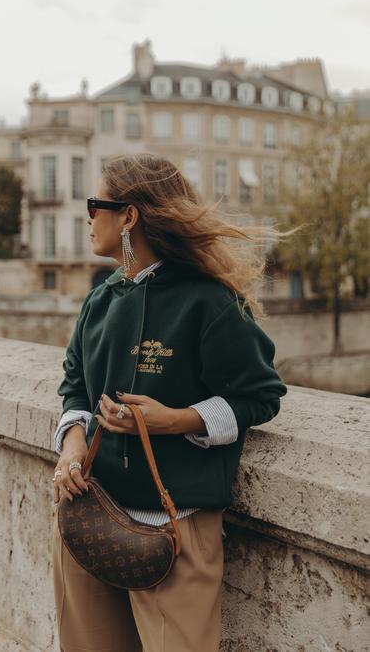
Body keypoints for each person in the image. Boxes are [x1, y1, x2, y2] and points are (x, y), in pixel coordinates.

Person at [52, 152, 288, 652]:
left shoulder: (210, 302)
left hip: (175, 531)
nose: (87, 214)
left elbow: (261, 397)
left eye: (96, 204)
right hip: (91, 519)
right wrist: (73, 447)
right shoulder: (99, 300)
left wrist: (174, 421)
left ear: (129, 215)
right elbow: (74, 386)